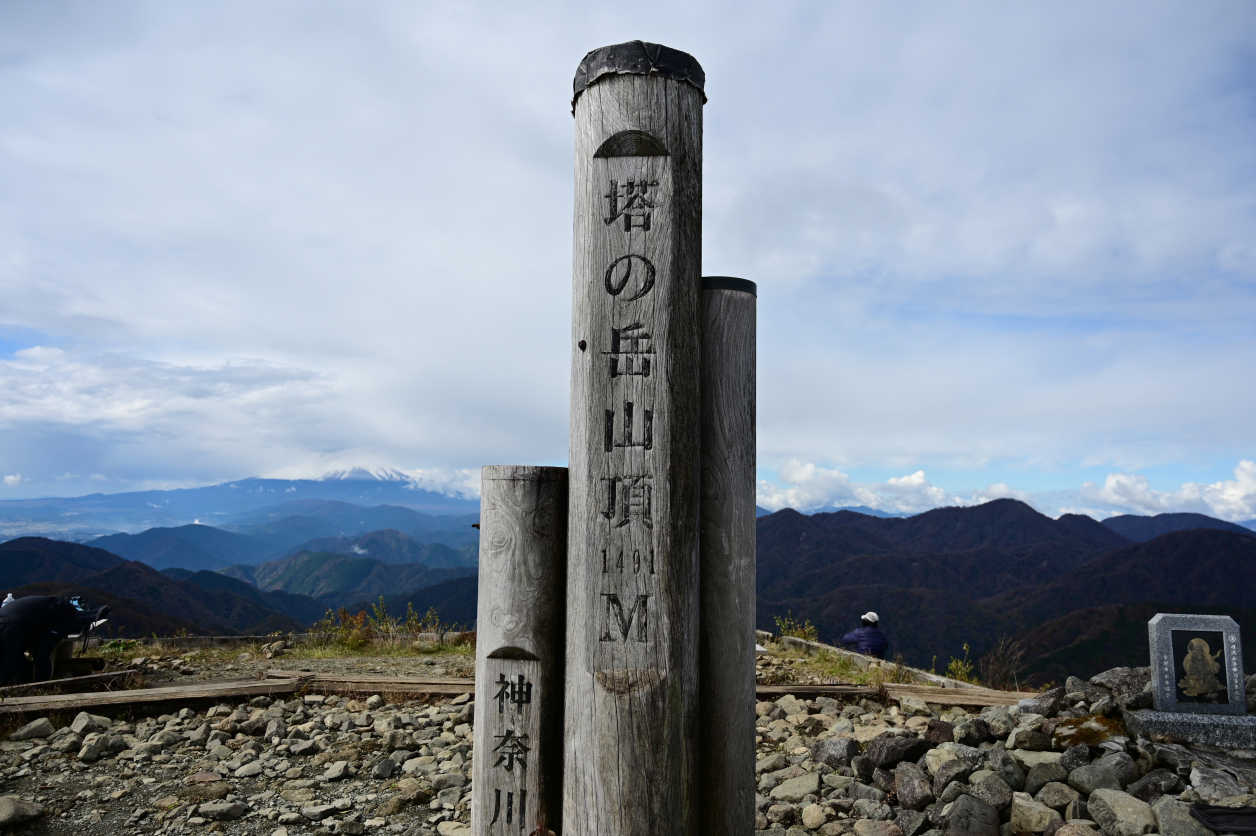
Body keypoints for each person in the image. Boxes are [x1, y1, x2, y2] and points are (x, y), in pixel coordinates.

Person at [0, 595, 109, 685]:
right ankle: (22, 682)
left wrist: (2, 685)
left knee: (40, 652)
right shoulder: (5, 624)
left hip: (61, 614)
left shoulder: (8, 626)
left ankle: (41, 685)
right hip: (42, 617)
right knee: (17, 651)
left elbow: (10, 659)